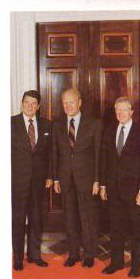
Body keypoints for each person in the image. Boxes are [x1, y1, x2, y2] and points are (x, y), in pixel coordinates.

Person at [100, 96, 140, 277]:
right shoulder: (108, 131)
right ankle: (116, 262)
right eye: (117, 110)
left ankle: (136, 265)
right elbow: (104, 161)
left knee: (137, 230)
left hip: (135, 192)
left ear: (131, 112)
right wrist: (103, 185)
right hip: (113, 191)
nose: (120, 113)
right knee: (116, 229)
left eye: (124, 110)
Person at [52, 88, 102, 268]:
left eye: (71, 102)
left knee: (88, 217)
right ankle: (73, 254)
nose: (68, 106)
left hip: (87, 179)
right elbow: (54, 153)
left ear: (79, 102)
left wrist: (97, 180)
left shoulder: (94, 123)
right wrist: (56, 178)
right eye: (65, 102)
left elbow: (98, 154)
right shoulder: (57, 124)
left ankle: (89, 254)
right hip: (65, 179)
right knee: (70, 218)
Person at [11, 90, 53, 271]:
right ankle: (18, 258)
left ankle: (35, 256)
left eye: (33, 103)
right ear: (22, 103)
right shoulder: (9, 123)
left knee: (37, 220)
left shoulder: (46, 125)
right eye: (27, 102)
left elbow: (51, 154)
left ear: (38, 106)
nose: (30, 106)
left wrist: (50, 175)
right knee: (18, 220)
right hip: (17, 182)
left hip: (39, 182)